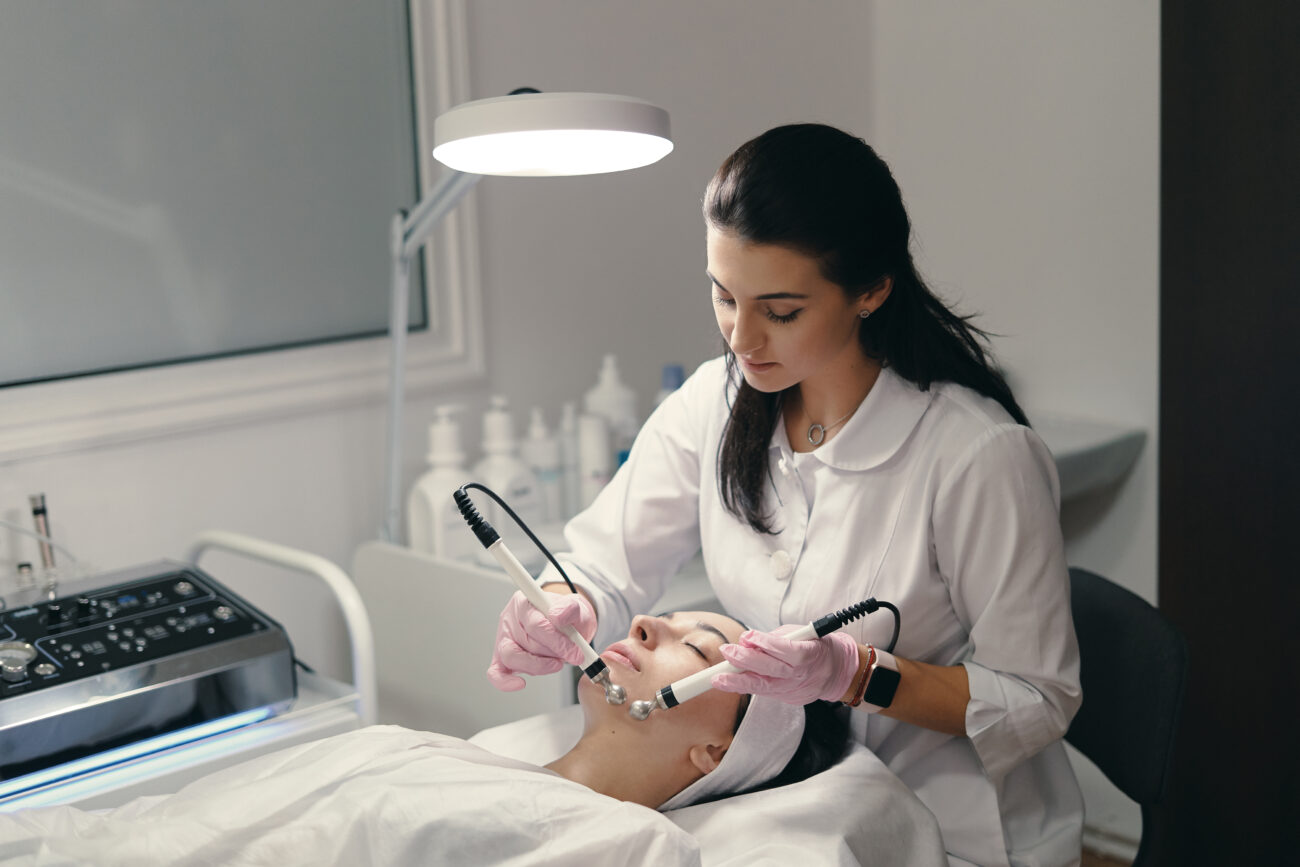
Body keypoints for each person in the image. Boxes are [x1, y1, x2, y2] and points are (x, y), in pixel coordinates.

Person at [488, 123, 1083, 866]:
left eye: (781, 310)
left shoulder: (977, 457)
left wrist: (856, 673)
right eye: (722, 295)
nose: (742, 338)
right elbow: (607, 565)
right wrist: (558, 604)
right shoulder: (717, 401)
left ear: (870, 289)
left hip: (940, 822)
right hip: (773, 802)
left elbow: (1037, 698)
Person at [0, 611, 847, 867]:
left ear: (714, 754)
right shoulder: (451, 753)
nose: (649, 619)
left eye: (695, 650)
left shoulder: (633, 844)